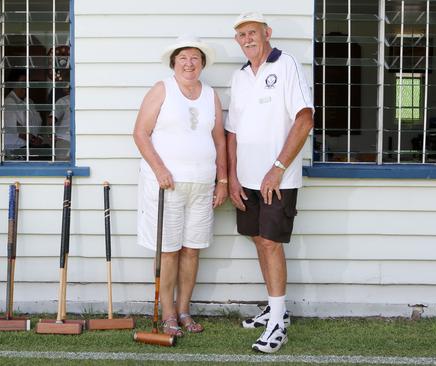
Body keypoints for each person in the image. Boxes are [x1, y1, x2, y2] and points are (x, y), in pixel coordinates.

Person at [226, 12, 314, 353]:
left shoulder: (286, 65)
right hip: (246, 179)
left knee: (271, 243)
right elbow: (232, 131)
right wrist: (232, 177)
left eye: (253, 32)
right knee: (257, 237)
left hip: (278, 178)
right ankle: (275, 308)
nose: (247, 39)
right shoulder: (240, 77)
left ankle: (278, 323)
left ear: (267, 34)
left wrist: (277, 168)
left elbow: (305, 118)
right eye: (241, 35)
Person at [133, 35, 228, 337]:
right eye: (183, 57)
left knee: (192, 250)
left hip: (202, 186)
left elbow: (219, 140)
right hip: (167, 185)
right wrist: (159, 169)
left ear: (202, 64)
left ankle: (185, 310)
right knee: (169, 251)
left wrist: (222, 180)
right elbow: (140, 133)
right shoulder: (162, 89)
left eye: (195, 58)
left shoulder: (211, 94)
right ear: (174, 62)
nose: (189, 63)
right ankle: (168, 314)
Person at [3, 69, 46, 158]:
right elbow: (16, 127)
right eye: (22, 81)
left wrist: (40, 138)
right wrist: (34, 140)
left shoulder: (29, 101)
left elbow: (39, 122)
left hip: (31, 147)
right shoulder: (9, 101)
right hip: (17, 150)